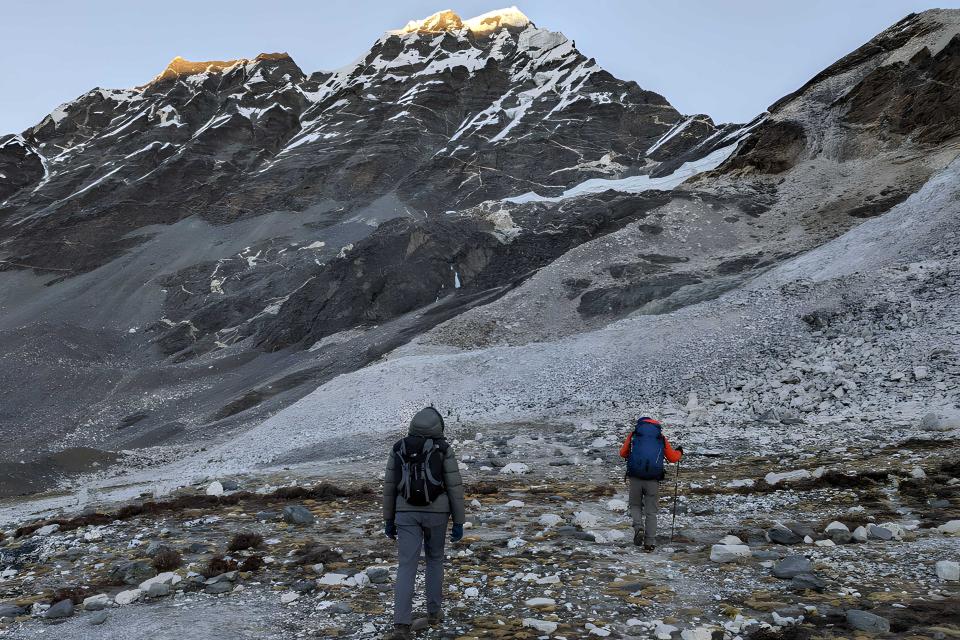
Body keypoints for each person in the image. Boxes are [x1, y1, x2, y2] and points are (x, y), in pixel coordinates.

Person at [382, 406, 466, 640]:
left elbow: (389, 487)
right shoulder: (443, 449)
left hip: (405, 512)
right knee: (435, 559)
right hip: (437, 513)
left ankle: (401, 625)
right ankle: (433, 613)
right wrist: (459, 521)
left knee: (406, 566)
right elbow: (454, 488)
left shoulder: (398, 448)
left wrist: (388, 519)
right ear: (438, 426)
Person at [619, 416, 683, 551]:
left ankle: (638, 527)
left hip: (635, 477)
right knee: (651, 512)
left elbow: (622, 453)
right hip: (653, 479)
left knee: (635, 505)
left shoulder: (634, 434)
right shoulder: (660, 437)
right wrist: (680, 452)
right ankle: (649, 543)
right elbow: (672, 458)